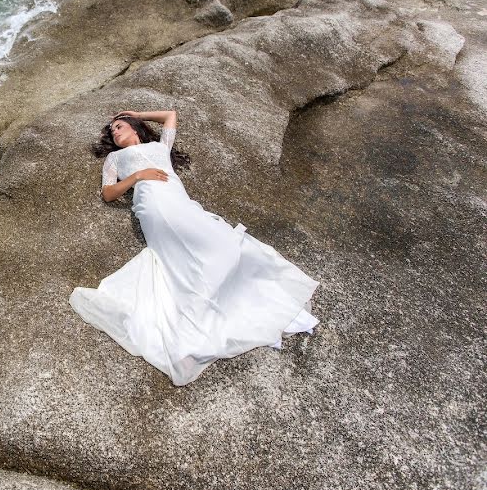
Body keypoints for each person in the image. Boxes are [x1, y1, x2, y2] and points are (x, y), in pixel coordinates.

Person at [68, 109, 320, 386]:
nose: (115, 132)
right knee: (182, 263)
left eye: (119, 126)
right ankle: (192, 331)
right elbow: (108, 193)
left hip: (181, 202)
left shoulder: (160, 147)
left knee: (226, 246)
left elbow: (170, 116)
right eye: (112, 131)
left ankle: (214, 314)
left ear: (135, 128)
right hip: (153, 206)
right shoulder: (114, 158)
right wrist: (137, 176)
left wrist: (138, 113)